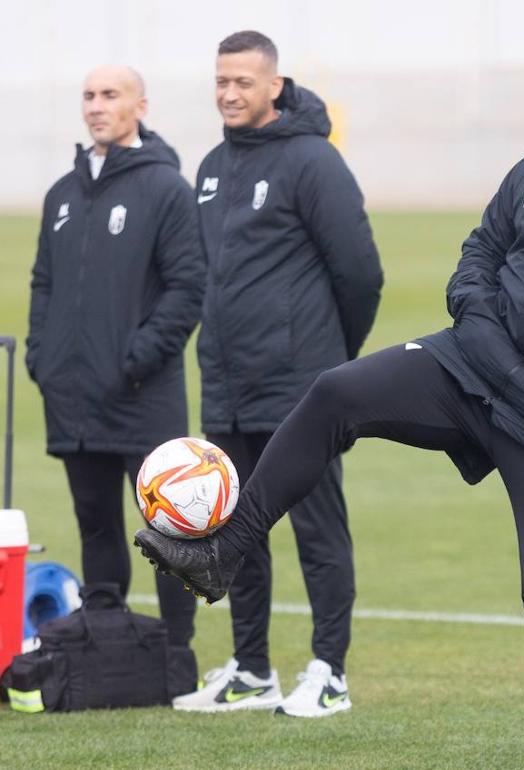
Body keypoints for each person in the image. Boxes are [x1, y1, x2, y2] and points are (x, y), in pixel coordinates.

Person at [138, 18, 524, 767]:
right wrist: (479, 325)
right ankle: (223, 551)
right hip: (470, 368)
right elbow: (481, 251)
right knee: (334, 394)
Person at [167, 30, 384, 718]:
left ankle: (330, 669)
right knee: (234, 529)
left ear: (274, 85)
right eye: (221, 82)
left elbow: (361, 274)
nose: (230, 94)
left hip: (301, 388)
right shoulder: (208, 167)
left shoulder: (314, 161)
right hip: (228, 387)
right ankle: (253, 670)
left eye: (243, 82)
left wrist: (328, 360)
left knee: (317, 530)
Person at [26, 65, 204, 692]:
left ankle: (178, 662)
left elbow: (189, 288)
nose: (97, 107)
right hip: (73, 395)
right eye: (89, 96)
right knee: (95, 523)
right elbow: (43, 284)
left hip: (140, 397)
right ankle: (105, 653)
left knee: (168, 530)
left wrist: (136, 360)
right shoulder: (62, 194)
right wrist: (41, 359)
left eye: (110, 95)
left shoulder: (166, 189)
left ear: (139, 105)